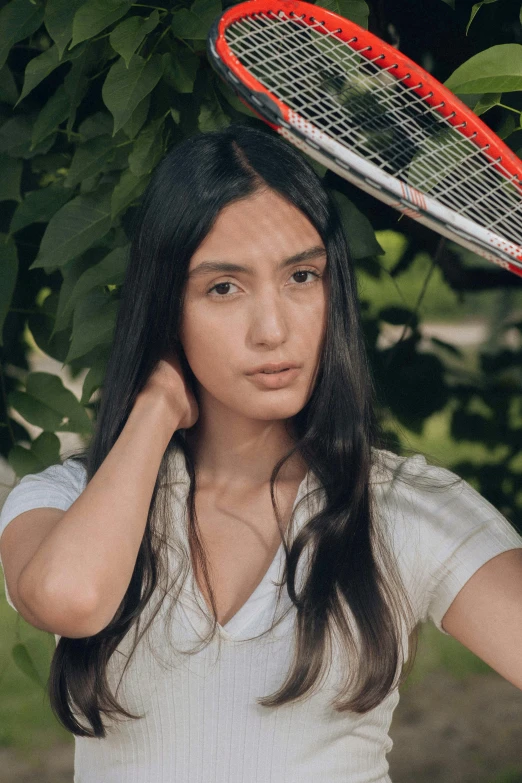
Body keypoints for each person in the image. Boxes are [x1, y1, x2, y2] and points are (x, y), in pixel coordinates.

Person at [0, 123, 521, 783]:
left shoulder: (401, 508)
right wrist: (157, 404)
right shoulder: (67, 498)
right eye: (225, 287)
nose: (273, 329)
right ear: (166, 306)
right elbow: (70, 597)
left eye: (302, 275)